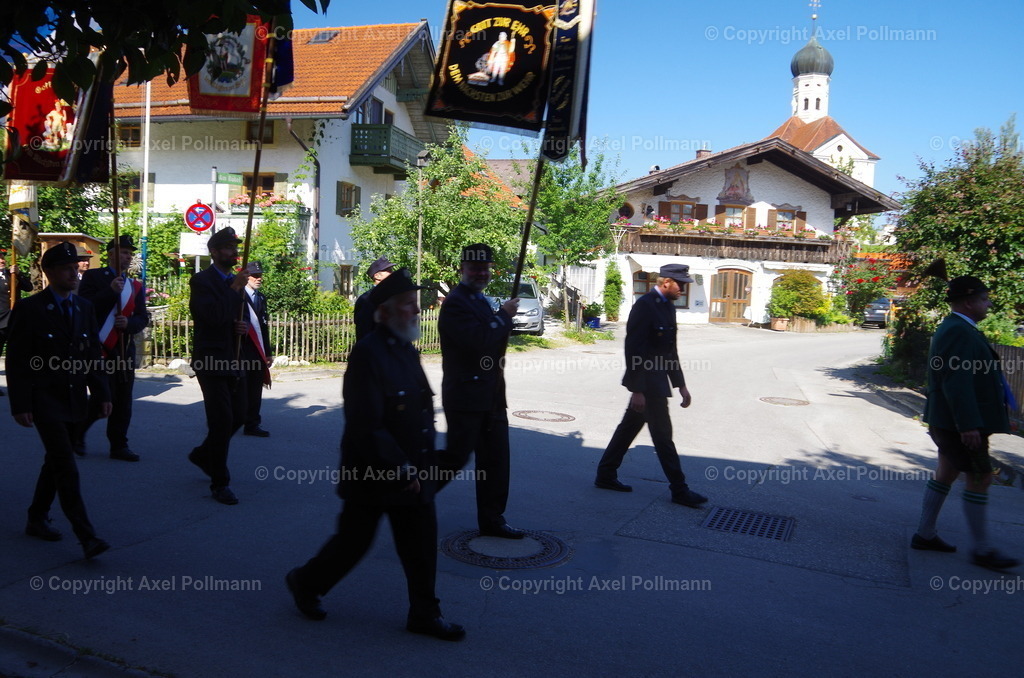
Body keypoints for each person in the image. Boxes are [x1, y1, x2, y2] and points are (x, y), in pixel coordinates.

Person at [285, 268, 465, 641]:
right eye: (408, 305)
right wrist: (401, 469)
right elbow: (366, 423)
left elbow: (419, 410)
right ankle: (306, 582)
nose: (417, 311)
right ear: (384, 312)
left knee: (420, 544)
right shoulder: (368, 354)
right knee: (354, 542)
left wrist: (425, 462)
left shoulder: (406, 348)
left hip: (412, 469)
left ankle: (425, 614)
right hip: (373, 473)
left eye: (416, 304)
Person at [6, 241, 112, 559]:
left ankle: (36, 517)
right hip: (44, 399)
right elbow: (18, 360)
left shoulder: (84, 308)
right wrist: (20, 404)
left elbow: (92, 354)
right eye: (67, 268)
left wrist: (102, 394)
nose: (74, 273)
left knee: (55, 461)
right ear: (49, 272)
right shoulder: (30, 309)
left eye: (76, 267)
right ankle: (87, 536)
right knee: (66, 465)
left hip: (74, 397)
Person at [912, 275, 1019, 571]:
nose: (989, 304)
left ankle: (925, 534)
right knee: (981, 477)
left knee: (947, 471)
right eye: (985, 299)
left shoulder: (959, 327)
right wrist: (968, 425)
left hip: (948, 420)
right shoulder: (959, 331)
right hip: (958, 424)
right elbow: (956, 382)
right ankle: (982, 550)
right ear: (969, 302)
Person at [594, 263, 708, 508]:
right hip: (647, 383)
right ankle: (679, 490)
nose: (683, 289)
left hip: (657, 381)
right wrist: (637, 389)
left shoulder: (667, 307)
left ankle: (605, 474)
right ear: (666, 282)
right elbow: (633, 349)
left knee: (629, 428)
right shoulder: (644, 306)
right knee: (663, 437)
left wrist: (681, 384)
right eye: (680, 285)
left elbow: (670, 350)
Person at [437, 243, 524, 539]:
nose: (481, 273)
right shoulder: (456, 303)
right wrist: (503, 316)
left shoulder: (478, 299)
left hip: (492, 396)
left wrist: (500, 319)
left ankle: (493, 519)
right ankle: (412, 493)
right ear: (462, 269)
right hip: (466, 397)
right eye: (474, 268)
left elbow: (491, 340)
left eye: (485, 268)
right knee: (454, 457)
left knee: (496, 461)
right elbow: (478, 341)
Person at [187, 227, 252, 505]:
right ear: (214, 252)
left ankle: (203, 454)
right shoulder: (202, 281)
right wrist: (235, 288)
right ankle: (220, 482)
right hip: (211, 360)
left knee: (240, 414)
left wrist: (242, 326)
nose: (234, 252)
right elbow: (212, 317)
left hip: (234, 357)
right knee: (221, 419)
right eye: (227, 248)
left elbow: (236, 316)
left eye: (235, 247)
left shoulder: (235, 281)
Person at [74, 235, 148, 461]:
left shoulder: (134, 285)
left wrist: (129, 323)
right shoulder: (94, 277)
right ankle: (77, 432)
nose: (128, 257)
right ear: (111, 254)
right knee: (102, 396)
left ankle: (119, 445)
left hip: (124, 348)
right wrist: (110, 291)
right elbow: (84, 307)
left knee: (123, 400)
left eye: (130, 253)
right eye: (123, 252)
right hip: (99, 347)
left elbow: (142, 317)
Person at [242, 260, 272, 437]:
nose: (258, 278)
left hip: (257, 350)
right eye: (254, 275)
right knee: (239, 387)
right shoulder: (237, 295)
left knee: (255, 387)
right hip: (241, 350)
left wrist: (267, 353)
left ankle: (252, 423)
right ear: (246, 276)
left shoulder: (261, 298)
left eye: (260, 275)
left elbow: (263, 327)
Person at [0, 251, 33, 397]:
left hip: (14, 320)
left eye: (2, 257)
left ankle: (19, 384)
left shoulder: (12, 274)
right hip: (0, 321)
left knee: (17, 355)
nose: (2, 260)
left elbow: (28, 287)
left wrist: (19, 274)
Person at [353, 256, 396, 340]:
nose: (392, 273)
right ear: (377, 276)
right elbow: (364, 332)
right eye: (388, 271)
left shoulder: (394, 296)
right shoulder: (366, 300)